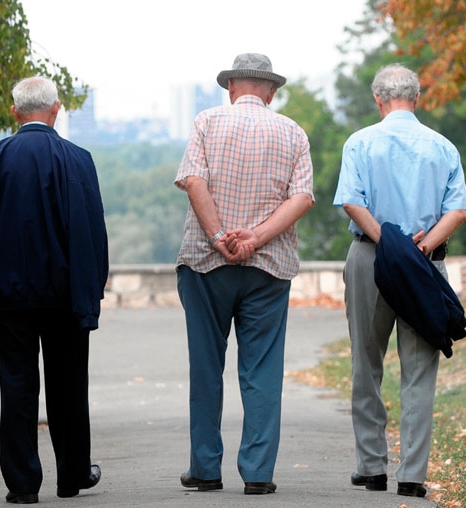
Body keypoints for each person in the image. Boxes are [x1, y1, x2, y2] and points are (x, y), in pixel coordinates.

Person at [0, 76, 109, 505]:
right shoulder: (78, 160)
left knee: (17, 386)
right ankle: (73, 474)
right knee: (68, 385)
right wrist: (94, 289)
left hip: (8, 298)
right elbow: (94, 230)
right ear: (56, 110)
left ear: (15, 112)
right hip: (65, 296)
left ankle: (22, 484)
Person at [174, 53, 314, 496]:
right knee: (262, 370)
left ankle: (206, 468)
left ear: (231, 87)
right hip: (269, 268)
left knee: (206, 367)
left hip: (205, 262)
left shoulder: (206, 122)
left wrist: (219, 237)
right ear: (270, 92)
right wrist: (253, 239)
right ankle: (257, 472)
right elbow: (302, 198)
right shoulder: (292, 131)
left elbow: (193, 180)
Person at [333, 63, 466, 498]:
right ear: (417, 98)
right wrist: (421, 247)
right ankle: (412, 475)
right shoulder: (442, 146)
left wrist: (389, 242)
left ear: (378, 99)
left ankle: (371, 466)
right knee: (418, 372)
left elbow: (351, 204)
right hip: (425, 265)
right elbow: (458, 210)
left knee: (366, 364)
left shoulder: (360, 142)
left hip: (371, 259)